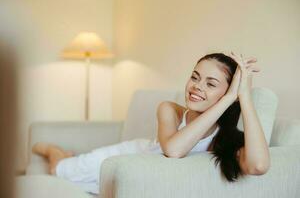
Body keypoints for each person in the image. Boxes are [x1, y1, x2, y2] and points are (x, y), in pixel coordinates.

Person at [32, 52, 270, 194]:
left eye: (210, 83)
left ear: (229, 93)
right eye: (195, 77)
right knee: (60, 171)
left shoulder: (227, 138)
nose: (196, 86)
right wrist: (227, 98)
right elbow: (174, 149)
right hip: (129, 157)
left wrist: (243, 98)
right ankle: (55, 152)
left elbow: (259, 166)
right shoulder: (169, 109)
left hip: (138, 175)